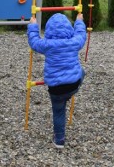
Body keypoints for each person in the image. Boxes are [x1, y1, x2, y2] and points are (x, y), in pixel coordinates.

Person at [27, 13, 86, 149]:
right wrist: (79, 21)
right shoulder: (74, 42)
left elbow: (34, 41)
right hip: (73, 85)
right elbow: (81, 34)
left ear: (48, 30)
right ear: (68, 29)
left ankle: (59, 139)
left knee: (59, 112)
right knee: (82, 71)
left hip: (56, 89)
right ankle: (68, 95)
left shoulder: (47, 44)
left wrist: (33, 25)